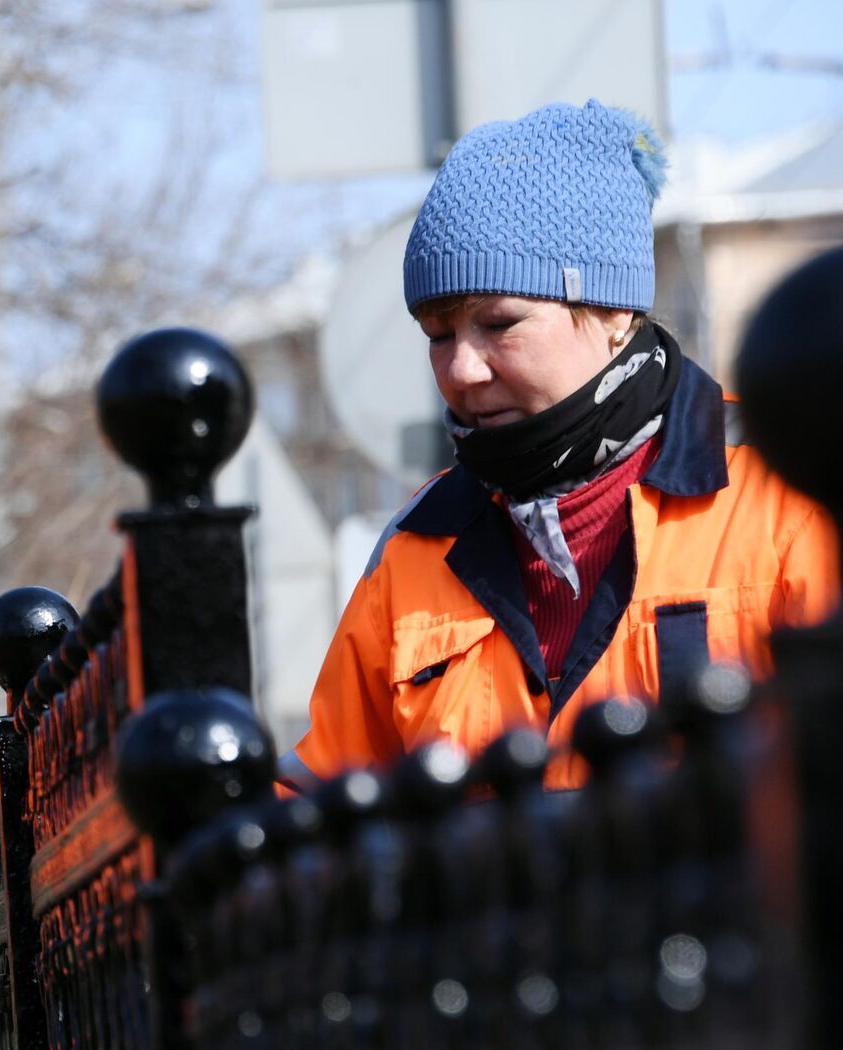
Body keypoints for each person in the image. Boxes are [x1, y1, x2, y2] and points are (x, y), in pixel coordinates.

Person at [281, 101, 839, 792]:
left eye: (499, 323)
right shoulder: (412, 549)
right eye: (438, 334)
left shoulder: (788, 489)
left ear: (614, 312)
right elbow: (317, 822)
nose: (461, 370)